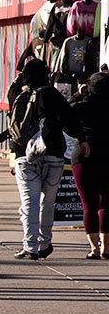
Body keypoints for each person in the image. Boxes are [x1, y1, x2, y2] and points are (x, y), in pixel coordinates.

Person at [9, 59, 88, 260]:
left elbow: (14, 121)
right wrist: (82, 138)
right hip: (53, 154)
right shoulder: (53, 95)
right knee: (48, 201)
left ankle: (30, 246)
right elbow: (69, 120)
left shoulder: (19, 94)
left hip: (24, 155)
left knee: (30, 201)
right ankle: (45, 243)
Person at [70, 72, 109, 259]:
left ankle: (94, 248)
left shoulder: (82, 106)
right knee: (105, 204)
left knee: (89, 204)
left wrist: (78, 94)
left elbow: (64, 111)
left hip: (85, 156)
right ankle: (106, 248)